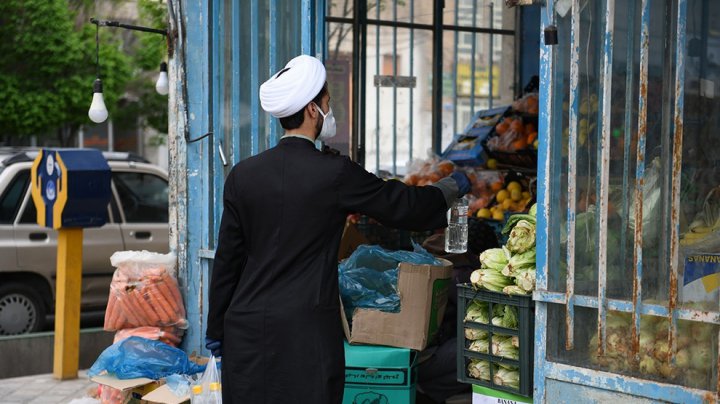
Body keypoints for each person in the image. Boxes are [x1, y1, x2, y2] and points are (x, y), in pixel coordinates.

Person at [204, 54, 471, 404]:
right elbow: (404, 207)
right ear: (313, 110)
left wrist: (216, 330)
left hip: (247, 329)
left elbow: (228, 259)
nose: (331, 111)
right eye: (328, 103)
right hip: (305, 334)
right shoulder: (333, 174)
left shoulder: (243, 175)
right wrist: (452, 186)